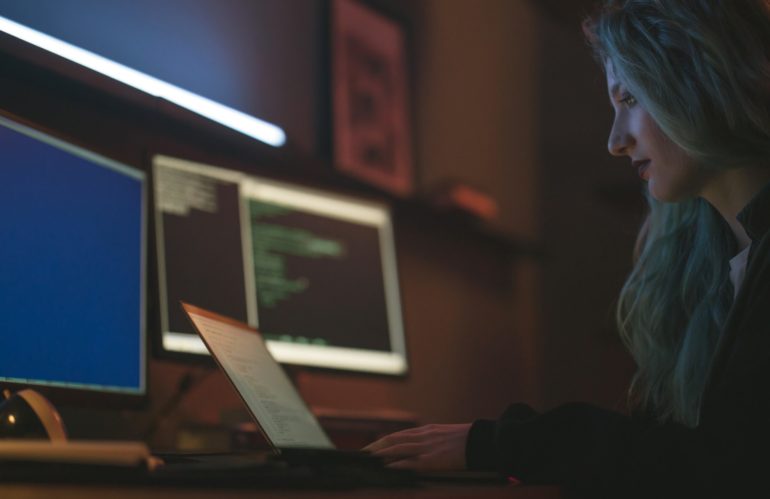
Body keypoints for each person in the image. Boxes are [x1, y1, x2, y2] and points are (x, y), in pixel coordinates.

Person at [364, 0, 770, 495]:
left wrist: (508, 445)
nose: (615, 141)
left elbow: (726, 468)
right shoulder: (718, 263)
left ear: (702, 81)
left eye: (630, 100)